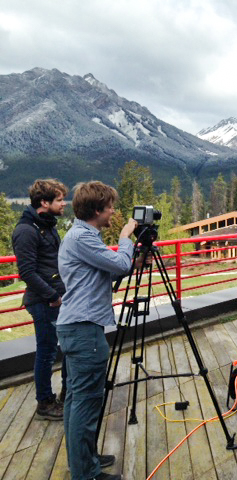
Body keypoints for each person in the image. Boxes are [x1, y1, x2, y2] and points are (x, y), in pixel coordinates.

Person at [56, 181, 138, 480]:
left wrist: (129, 256)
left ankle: (83, 459)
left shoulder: (82, 235)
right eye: (110, 207)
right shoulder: (82, 238)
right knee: (86, 403)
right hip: (83, 330)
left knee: (76, 400)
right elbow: (119, 264)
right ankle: (86, 473)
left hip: (76, 327)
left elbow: (109, 266)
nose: (113, 211)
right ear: (96, 210)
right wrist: (125, 238)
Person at [12, 179, 69, 420]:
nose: (64, 203)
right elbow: (27, 272)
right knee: (46, 352)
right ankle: (45, 403)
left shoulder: (45, 225)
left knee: (64, 348)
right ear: (44, 202)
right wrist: (53, 296)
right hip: (44, 302)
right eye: (59, 200)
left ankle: (67, 395)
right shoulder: (26, 230)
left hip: (55, 298)